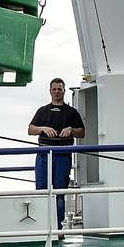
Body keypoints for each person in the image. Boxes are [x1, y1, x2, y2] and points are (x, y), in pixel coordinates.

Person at [28, 77, 85, 229]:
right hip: (43, 155)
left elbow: (82, 132)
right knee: (42, 191)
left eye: (60, 89)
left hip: (62, 156)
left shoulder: (71, 112)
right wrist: (43, 128)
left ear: (64, 91)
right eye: (54, 89)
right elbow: (30, 129)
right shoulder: (43, 111)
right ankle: (42, 227)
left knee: (59, 192)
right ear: (50, 91)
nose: (57, 92)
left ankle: (58, 227)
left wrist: (71, 130)